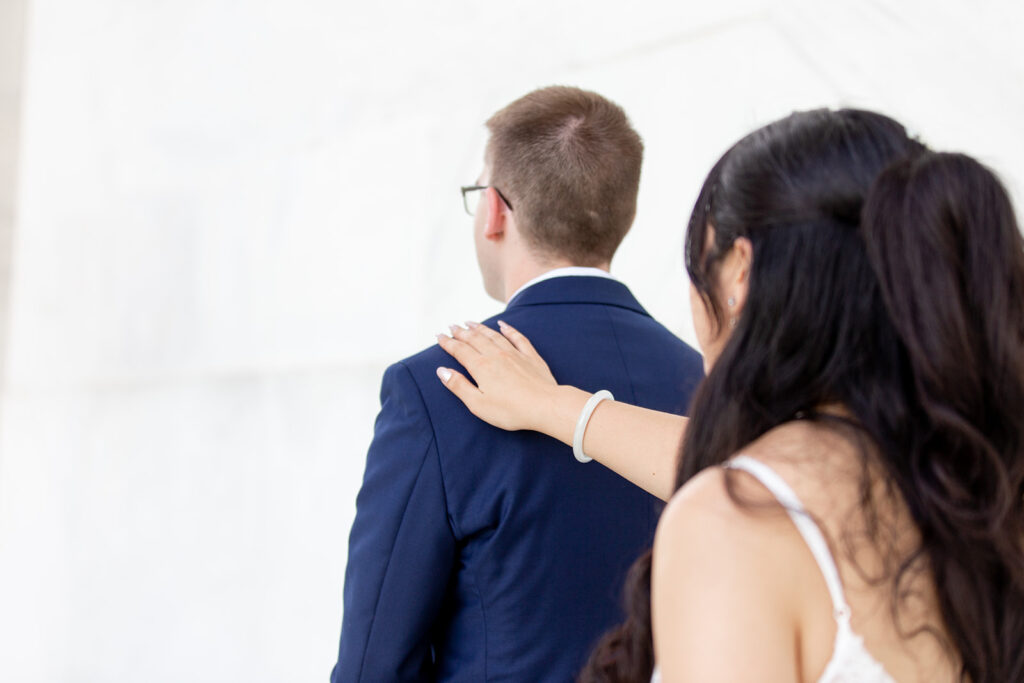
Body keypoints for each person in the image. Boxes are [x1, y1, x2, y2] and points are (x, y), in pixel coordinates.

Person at [436, 109, 1024, 682]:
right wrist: (556, 407)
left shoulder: (737, 520)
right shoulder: (976, 485)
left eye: (698, 263)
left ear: (740, 271)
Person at [331, 86, 703, 682]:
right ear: (621, 214)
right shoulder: (707, 382)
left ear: (496, 211)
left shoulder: (436, 387)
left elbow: (375, 663)